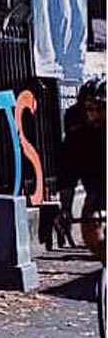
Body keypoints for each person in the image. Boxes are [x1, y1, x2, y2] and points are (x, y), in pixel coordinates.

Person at [57, 75, 106, 259]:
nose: (93, 115)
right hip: (96, 176)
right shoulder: (77, 124)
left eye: (101, 109)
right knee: (91, 219)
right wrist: (66, 210)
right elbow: (67, 170)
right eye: (89, 109)